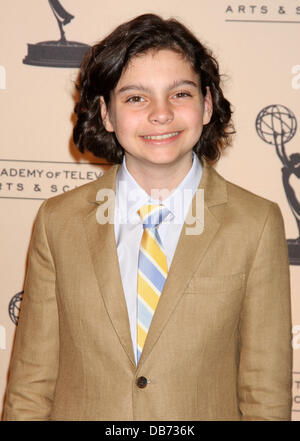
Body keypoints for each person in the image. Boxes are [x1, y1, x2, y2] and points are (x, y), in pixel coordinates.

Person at [3, 13, 292, 421]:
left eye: (180, 94)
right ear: (105, 113)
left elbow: (265, 396)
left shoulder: (256, 224)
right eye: (136, 97)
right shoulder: (58, 222)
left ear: (207, 105)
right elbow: (30, 387)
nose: (161, 113)